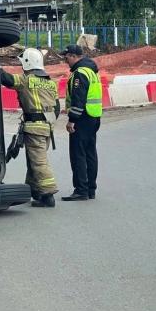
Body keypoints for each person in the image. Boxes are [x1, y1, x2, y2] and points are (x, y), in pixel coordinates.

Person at [0, 48, 60, 208]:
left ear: (27, 63)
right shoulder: (50, 82)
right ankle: (35, 191)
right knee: (33, 159)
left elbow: (7, 79)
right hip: (47, 127)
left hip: (34, 127)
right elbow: (57, 108)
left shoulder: (27, 80)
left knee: (39, 162)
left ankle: (48, 194)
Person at [59, 45, 103, 201]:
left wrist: (72, 120)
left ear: (73, 56)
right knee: (90, 153)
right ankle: (91, 189)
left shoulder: (79, 73)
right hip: (94, 117)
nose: (65, 61)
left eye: (66, 58)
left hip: (82, 118)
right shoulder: (91, 71)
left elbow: (78, 99)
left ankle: (81, 190)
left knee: (78, 154)